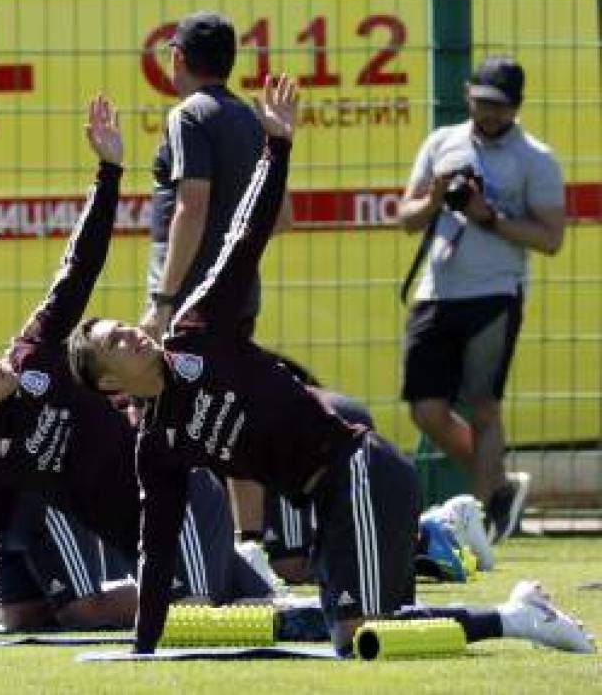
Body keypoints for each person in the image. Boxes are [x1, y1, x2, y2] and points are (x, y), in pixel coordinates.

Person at [66, 75, 592, 657]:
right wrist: (143, 645)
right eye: (116, 343)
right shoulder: (157, 445)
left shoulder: (197, 329)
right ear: (110, 383)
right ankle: (516, 612)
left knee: (359, 636)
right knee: (365, 630)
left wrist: (277, 147)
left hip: (355, 467)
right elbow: (156, 544)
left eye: (124, 327)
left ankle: (507, 604)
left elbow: (244, 236)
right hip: (325, 498)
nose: (133, 337)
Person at [0, 97, 272, 641]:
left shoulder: (33, 351)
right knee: (257, 616)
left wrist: (108, 174)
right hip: (139, 538)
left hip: (178, 487)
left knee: (201, 620)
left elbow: (78, 267)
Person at [397, 56, 565, 541]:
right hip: (436, 291)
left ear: (516, 107)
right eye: (480, 102)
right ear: (468, 95)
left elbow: (551, 238)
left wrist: (489, 216)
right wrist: (433, 199)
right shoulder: (441, 142)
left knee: (484, 404)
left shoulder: (535, 158)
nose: (488, 114)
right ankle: (499, 487)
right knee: (425, 410)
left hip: (495, 293)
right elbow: (406, 217)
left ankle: (490, 517)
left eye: (498, 106)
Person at [140, 10, 289, 340]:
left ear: (177, 57)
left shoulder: (187, 116)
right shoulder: (256, 119)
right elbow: (281, 217)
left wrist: (163, 300)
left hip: (186, 305)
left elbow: (191, 209)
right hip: (240, 300)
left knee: (172, 391)